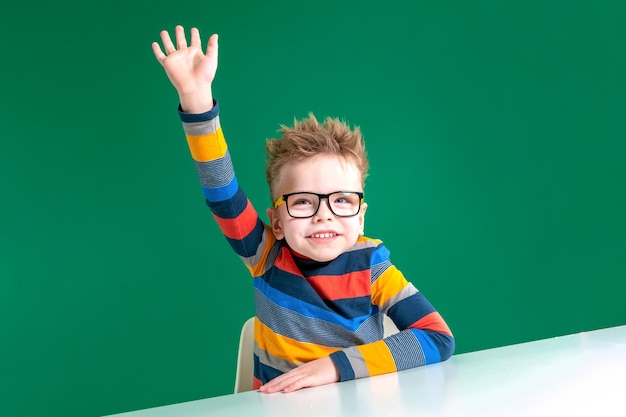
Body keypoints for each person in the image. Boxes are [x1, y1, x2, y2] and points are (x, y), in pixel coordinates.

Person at [152, 25, 454, 394]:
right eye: (304, 202)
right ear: (276, 221)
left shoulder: (373, 268)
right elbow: (222, 194)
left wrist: (333, 367)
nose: (323, 215)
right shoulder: (266, 255)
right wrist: (195, 99)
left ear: (361, 216)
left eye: (342, 200)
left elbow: (436, 337)